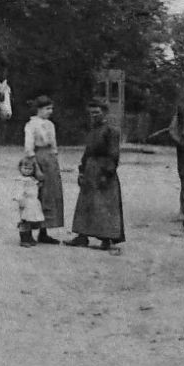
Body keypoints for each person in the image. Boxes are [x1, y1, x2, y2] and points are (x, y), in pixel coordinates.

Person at [67, 98, 124, 254]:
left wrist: (107, 174)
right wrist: (81, 170)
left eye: (97, 113)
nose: (94, 116)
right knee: (85, 203)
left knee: (104, 205)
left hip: (104, 170)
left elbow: (113, 155)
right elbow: (87, 152)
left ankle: (107, 239)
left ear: (104, 112)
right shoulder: (92, 130)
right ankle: (82, 236)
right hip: (90, 169)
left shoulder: (111, 131)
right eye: (91, 113)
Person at [21, 95, 63, 244]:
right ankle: (26, 234)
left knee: (49, 196)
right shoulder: (31, 124)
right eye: (47, 108)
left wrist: (54, 162)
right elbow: (29, 148)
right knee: (34, 196)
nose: (50, 111)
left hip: (50, 161)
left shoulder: (50, 125)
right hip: (37, 159)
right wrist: (36, 169)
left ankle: (44, 232)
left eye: (51, 108)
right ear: (38, 109)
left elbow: (54, 146)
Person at [14, 154, 47, 247]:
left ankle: (29, 237)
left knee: (30, 220)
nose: (27, 171)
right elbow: (19, 191)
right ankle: (23, 239)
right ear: (20, 168)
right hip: (25, 202)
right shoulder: (21, 180)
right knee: (24, 221)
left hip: (33, 203)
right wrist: (20, 201)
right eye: (25, 168)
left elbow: (36, 185)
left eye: (30, 169)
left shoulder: (32, 179)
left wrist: (39, 184)